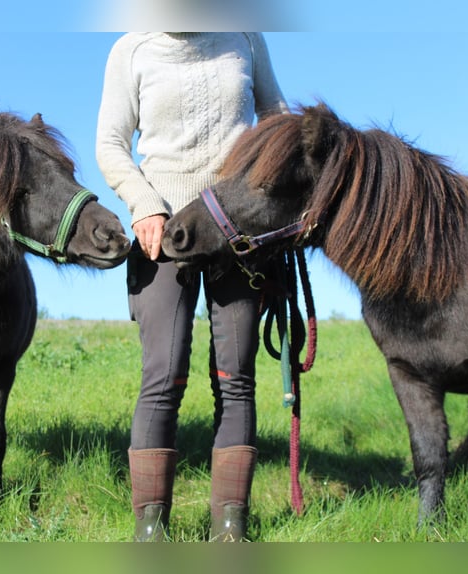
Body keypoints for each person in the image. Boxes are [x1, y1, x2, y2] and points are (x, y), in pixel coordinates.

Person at [96, 32, 288, 542]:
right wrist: (142, 203)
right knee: (163, 376)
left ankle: (230, 528)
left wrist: (270, 201)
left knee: (236, 377)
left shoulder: (246, 35)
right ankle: (151, 532)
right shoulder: (131, 49)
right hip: (162, 234)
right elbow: (111, 143)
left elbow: (278, 123)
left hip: (237, 235)